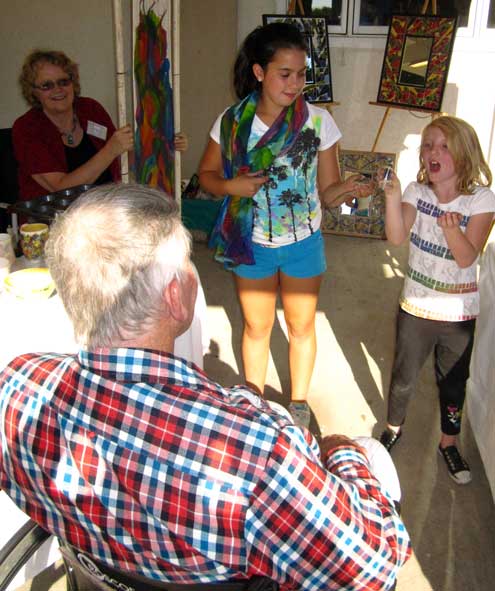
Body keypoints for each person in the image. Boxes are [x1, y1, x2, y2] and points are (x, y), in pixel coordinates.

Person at [0, 183, 410, 590]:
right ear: (176, 297)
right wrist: (345, 453)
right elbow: (375, 567)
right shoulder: (258, 454)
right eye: (189, 260)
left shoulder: (17, 389)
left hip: (93, 572)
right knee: (371, 456)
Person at [198, 23, 373, 428]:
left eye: (301, 74)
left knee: (301, 325)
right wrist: (232, 186)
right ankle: (254, 406)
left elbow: (328, 192)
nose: (295, 84)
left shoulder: (319, 122)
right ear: (259, 72)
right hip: (252, 242)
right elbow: (206, 175)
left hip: (304, 243)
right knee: (257, 327)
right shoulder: (232, 121)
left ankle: (297, 403)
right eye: (285, 74)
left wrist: (345, 190)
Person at [379, 116, 495, 485]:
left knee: (453, 382)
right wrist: (393, 197)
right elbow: (397, 237)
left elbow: (466, 257)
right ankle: (393, 429)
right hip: (415, 305)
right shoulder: (417, 190)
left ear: (463, 154)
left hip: (458, 313)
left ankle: (449, 441)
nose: (433, 152)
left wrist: (452, 230)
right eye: (428, 145)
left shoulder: (481, 199)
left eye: (444, 146)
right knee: (403, 378)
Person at [12, 49, 134, 200]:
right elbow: (61, 188)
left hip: (107, 207)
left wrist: (165, 145)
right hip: (55, 218)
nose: (58, 90)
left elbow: (122, 159)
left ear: (73, 83)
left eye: (63, 81)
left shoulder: (90, 108)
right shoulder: (26, 127)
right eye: (46, 85)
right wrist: (110, 150)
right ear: (33, 92)